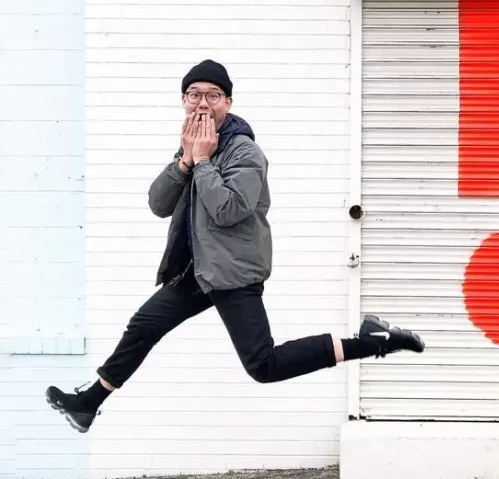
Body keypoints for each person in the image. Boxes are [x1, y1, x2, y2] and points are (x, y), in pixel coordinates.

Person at [46, 59, 424, 433]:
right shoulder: (193, 148)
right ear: (183, 100)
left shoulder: (245, 153)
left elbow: (228, 210)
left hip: (234, 272)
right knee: (144, 324)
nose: (203, 103)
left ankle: (371, 341)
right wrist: (184, 162)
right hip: (199, 272)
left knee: (264, 365)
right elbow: (158, 204)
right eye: (195, 95)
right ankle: (88, 404)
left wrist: (204, 161)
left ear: (228, 101)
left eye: (213, 95)